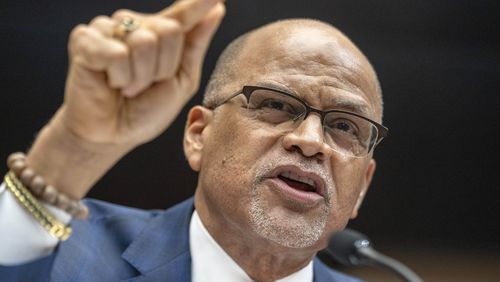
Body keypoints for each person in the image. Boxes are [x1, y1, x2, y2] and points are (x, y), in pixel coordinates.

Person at [0, 0, 388, 281]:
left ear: (362, 188)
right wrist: (72, 146)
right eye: (275, 104)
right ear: (198, 135)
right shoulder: (71, 252)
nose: (310, 141)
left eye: (345, 127)